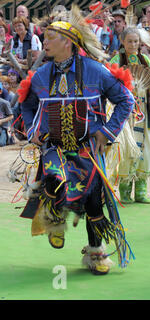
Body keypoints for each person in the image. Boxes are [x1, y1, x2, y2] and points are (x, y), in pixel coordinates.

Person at [18, 5, 135, 275]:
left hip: (87, 148)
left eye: (50, 38)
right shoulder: (41, 77)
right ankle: (55, 219)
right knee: (54, 182)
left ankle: (96, 253)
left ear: (68, 42)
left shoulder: (97, 72)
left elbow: (125, 100)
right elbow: (26, 104)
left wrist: (106, 132)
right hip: (54, 147)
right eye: (44, 37)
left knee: (94, 201)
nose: (44, 42)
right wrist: (33, 128)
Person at [109, 27, 150, 204]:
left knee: (145, 148)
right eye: (130, 41)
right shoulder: (116, 61)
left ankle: (141, 190)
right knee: (126, 149)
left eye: (136, 41)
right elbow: (107, 84)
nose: (133, 45)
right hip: (124, 113)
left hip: (143, 111)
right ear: (123, 42)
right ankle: (125, 191)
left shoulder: (146, 60)